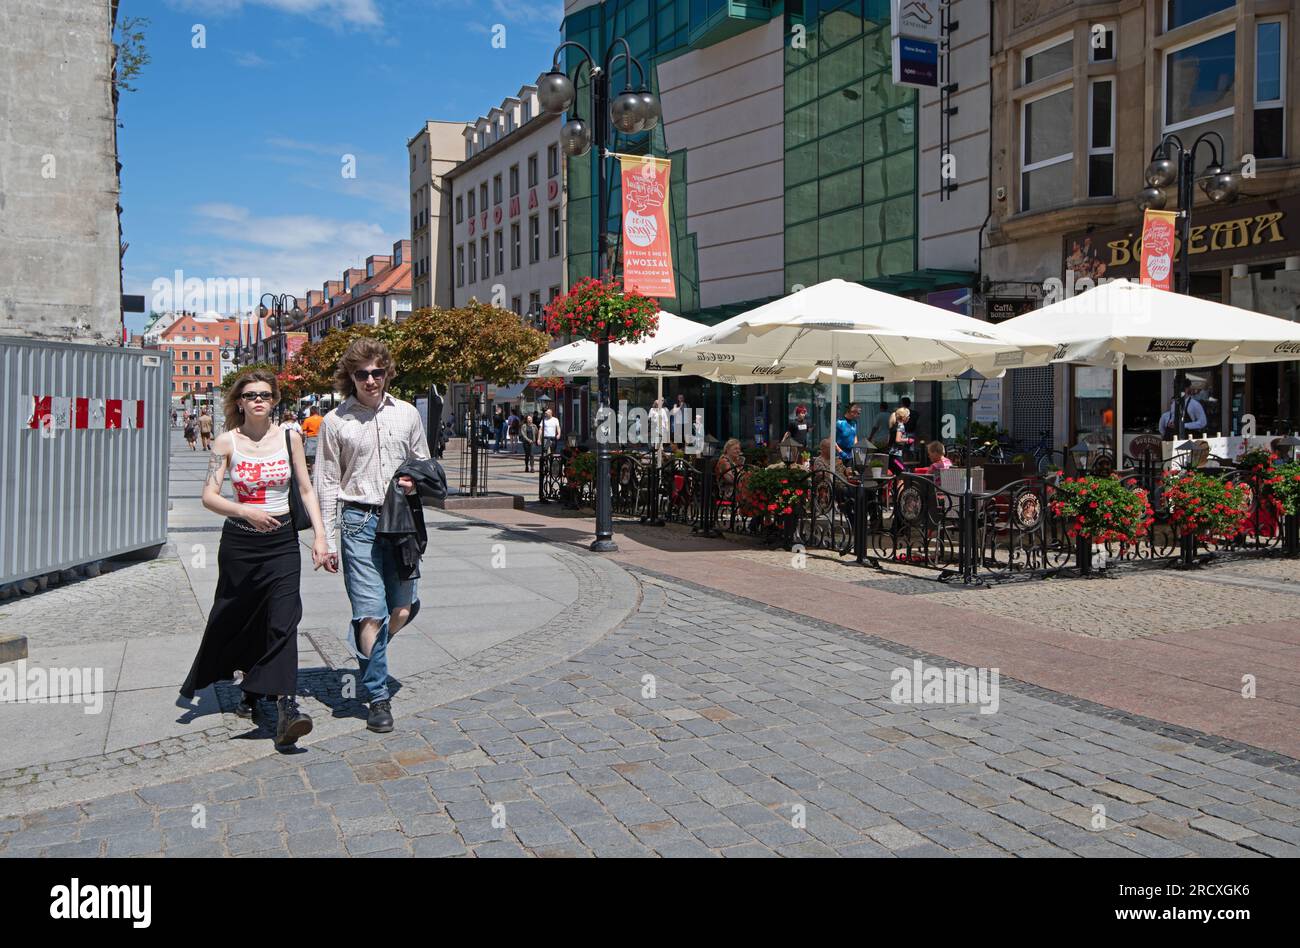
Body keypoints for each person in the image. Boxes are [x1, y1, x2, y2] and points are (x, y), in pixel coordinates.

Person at [180, 369, 327, 748]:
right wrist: (245, 511)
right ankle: (251, 685)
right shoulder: (226, 443)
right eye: (250, 395)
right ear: (240, 402)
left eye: (265, 394)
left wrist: (321, 538)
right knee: (241, 616)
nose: (258, 400)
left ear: (275, 400)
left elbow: (307, 489)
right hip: (241, 545)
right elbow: (209, 496)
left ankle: (287, 708)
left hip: (281, 543)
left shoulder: (291, 436)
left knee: (284, 619)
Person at [315, 338, 430, 734]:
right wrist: (325, 540)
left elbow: (423, 463)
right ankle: (378, 697)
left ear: (387, 372)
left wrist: (416, 482)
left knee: (402, 610)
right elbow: (327, 482)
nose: (370, 379)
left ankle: (370, 649)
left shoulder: (409, 415)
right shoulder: (336, 421)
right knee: (370, 612)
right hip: (357, 523)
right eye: (362, 373)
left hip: (401, 524)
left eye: (377, 372)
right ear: (351, 377)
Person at [301, 406, 323, 476]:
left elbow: (304, 432)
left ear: (311, 411)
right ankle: (319, 474)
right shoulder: (322, 419)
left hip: (311, 439)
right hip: (320, 439)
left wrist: (304, 441)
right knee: (320, 457)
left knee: (312, 458)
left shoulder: (307, 420)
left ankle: (313, 474)